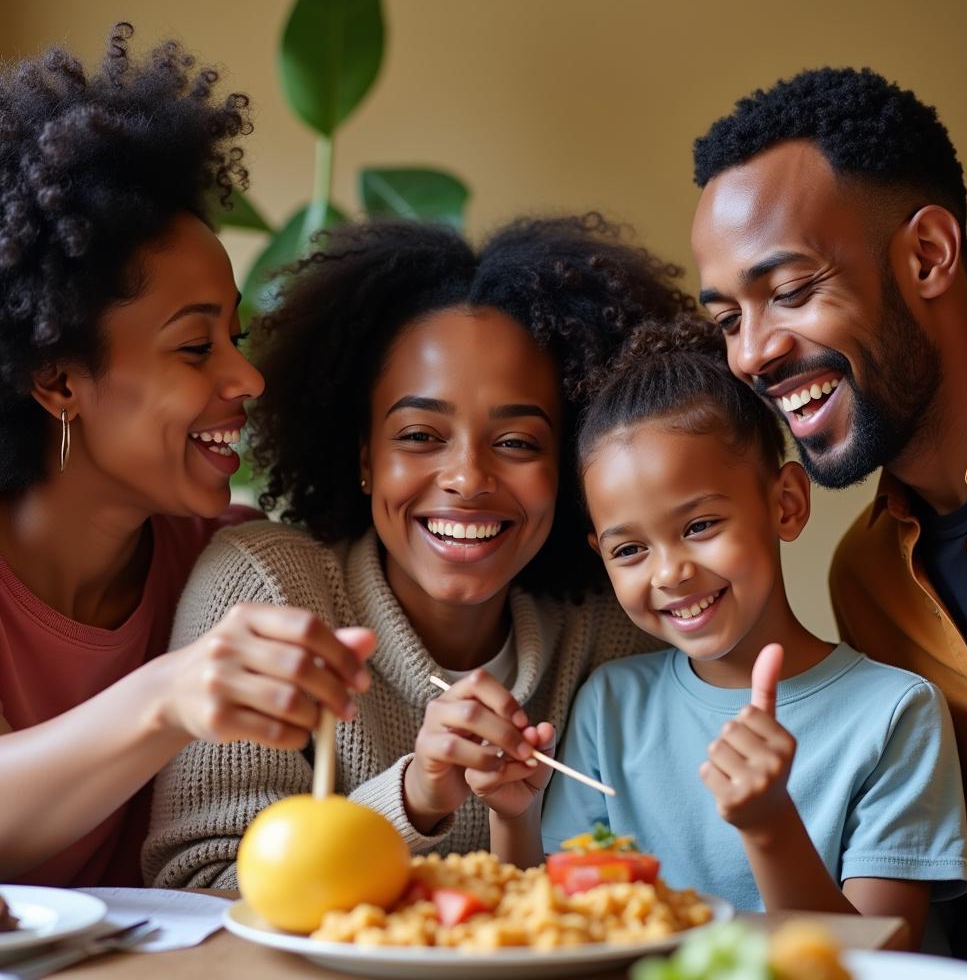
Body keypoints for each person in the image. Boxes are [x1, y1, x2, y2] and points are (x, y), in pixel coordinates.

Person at [143, 214, 689, 886]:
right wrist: (412, 798)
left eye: (517, 443)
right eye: (420, 436)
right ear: (365, 455)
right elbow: (199, 883)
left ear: (571, 469)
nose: (466, 478)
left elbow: (640, 886)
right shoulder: (267, 590)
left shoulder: (613, 628)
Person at [0, 24, 374, 887]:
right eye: (196, 348)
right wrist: (166, 697)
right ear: (59, 380)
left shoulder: (224, 565)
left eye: (236, 335)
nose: (248, 377)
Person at [689, 67, 967, 973]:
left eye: (790, 291)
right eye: (727, 320)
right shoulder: (863, 575)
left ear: (926, 257)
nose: (752, 354)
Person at [531, 319, 967, 950]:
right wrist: (511, 813)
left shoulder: (896, 714)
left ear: (786, 504)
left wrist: (771, 828)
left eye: (701, 524)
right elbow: (559, 927)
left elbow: (881, 958)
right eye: (629, 549)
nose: (670, 571)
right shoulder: (610, 706)